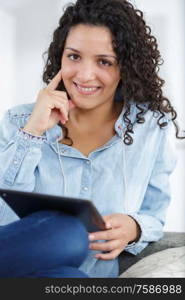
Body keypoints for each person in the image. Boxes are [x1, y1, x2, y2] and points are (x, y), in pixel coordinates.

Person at [0, 0, 184, 278]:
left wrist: (134, 228)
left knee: (72, 279)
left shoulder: (152, 128)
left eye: (104, 62)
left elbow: (153, 215)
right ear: (59, 56)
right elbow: (4, 220)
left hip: (75, 280)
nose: (85, 75)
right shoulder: (20, 121)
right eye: (74, 56)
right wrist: (33, 132)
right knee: (71, 234)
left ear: (126, 67)